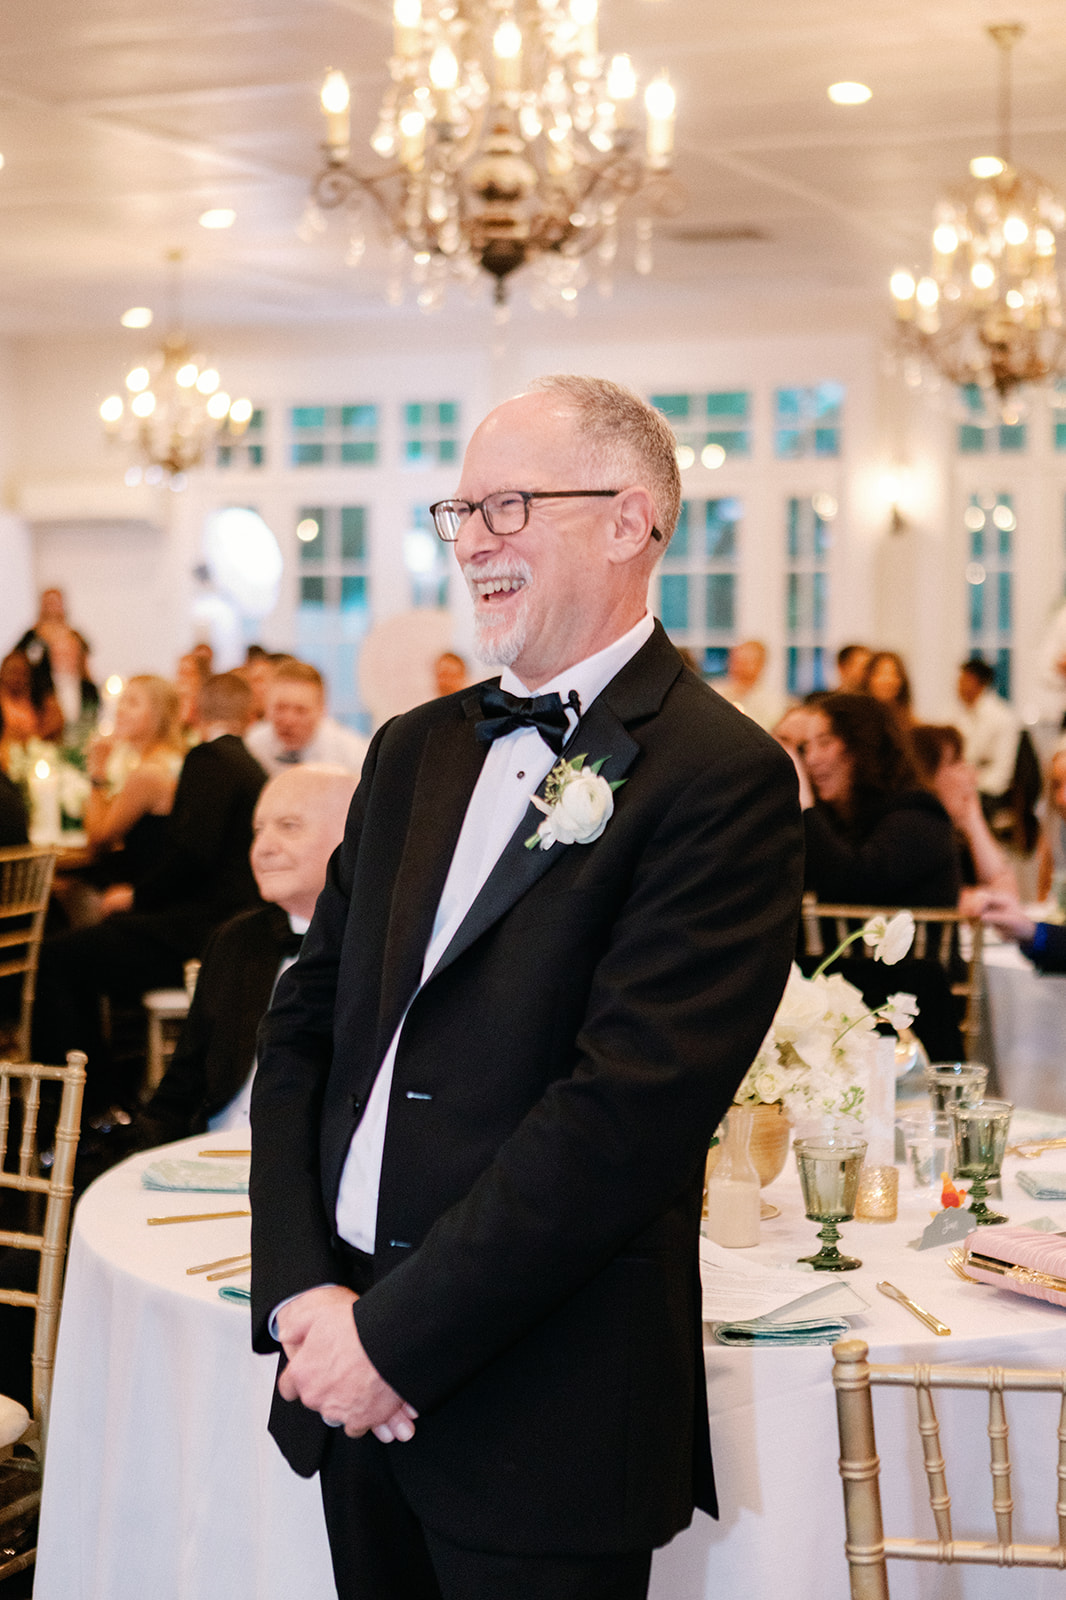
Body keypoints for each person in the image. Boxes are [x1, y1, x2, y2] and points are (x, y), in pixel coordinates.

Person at [249, 374, 804, 1600]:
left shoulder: (723, 778)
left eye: (509, 505)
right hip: (339, 1367)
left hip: (543, 1413)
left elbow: (621, 1122)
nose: (475, 542)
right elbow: (304, 1028)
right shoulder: (409, 748)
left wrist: (390, 1341)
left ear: (629, 520)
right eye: (462, 512)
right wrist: (300, 1291)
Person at [32, 673, 267, 1111]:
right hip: (215, 924)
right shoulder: (241, 762)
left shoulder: (209, 759)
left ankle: (91, 1106)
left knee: (55, 959)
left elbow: (192, 855)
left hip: (200, 932)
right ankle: (107, 1094)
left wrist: (137, 897)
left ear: (189, 710)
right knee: (80, 946)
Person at [124, 764, 358, 1150]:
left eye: (289, 826)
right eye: (258, 830)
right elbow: (183, 1085)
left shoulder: (385, 948)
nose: (263, 847)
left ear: (355, 836)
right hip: (209, 1155)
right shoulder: (237, 939)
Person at [790, 693, 960, 906]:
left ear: (862, 745)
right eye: (806, 748)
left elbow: (854, 884)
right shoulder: (836, 820)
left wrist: (805, 807)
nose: (811, 759)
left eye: (824, 743)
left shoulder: (918, 815)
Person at [909, 723, 1017, 901]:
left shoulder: (958, 834)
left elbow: (1007, 895)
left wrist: (972, 818)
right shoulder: (920, 838)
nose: (971, 775)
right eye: (956, 763)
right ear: (925, 775)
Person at [245, 659, 369, 775]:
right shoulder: (252, 746)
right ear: (266, 706)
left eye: (300, 710)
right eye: (280, 708)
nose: (288, 721)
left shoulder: (353, 755)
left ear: (322, 710)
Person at [950, 657, 1019, 817]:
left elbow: (1001, 775)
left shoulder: (1002, 717)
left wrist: (969, 784)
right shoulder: (963, 716)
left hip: (991, 795)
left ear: (974, 681)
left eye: (961, 680)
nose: (957, 686)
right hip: (968, 787)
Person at [716, 638, 785, 732]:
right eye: (735, 661)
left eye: (744, 662)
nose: (737, 667)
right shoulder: (716, 692)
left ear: (760, 665)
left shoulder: (773, 702)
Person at [860, 648, 914, 729]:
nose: (888, 680)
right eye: (881, 673)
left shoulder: (909, 722)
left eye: (894, 674)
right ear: (867, 678)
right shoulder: (857, 719)